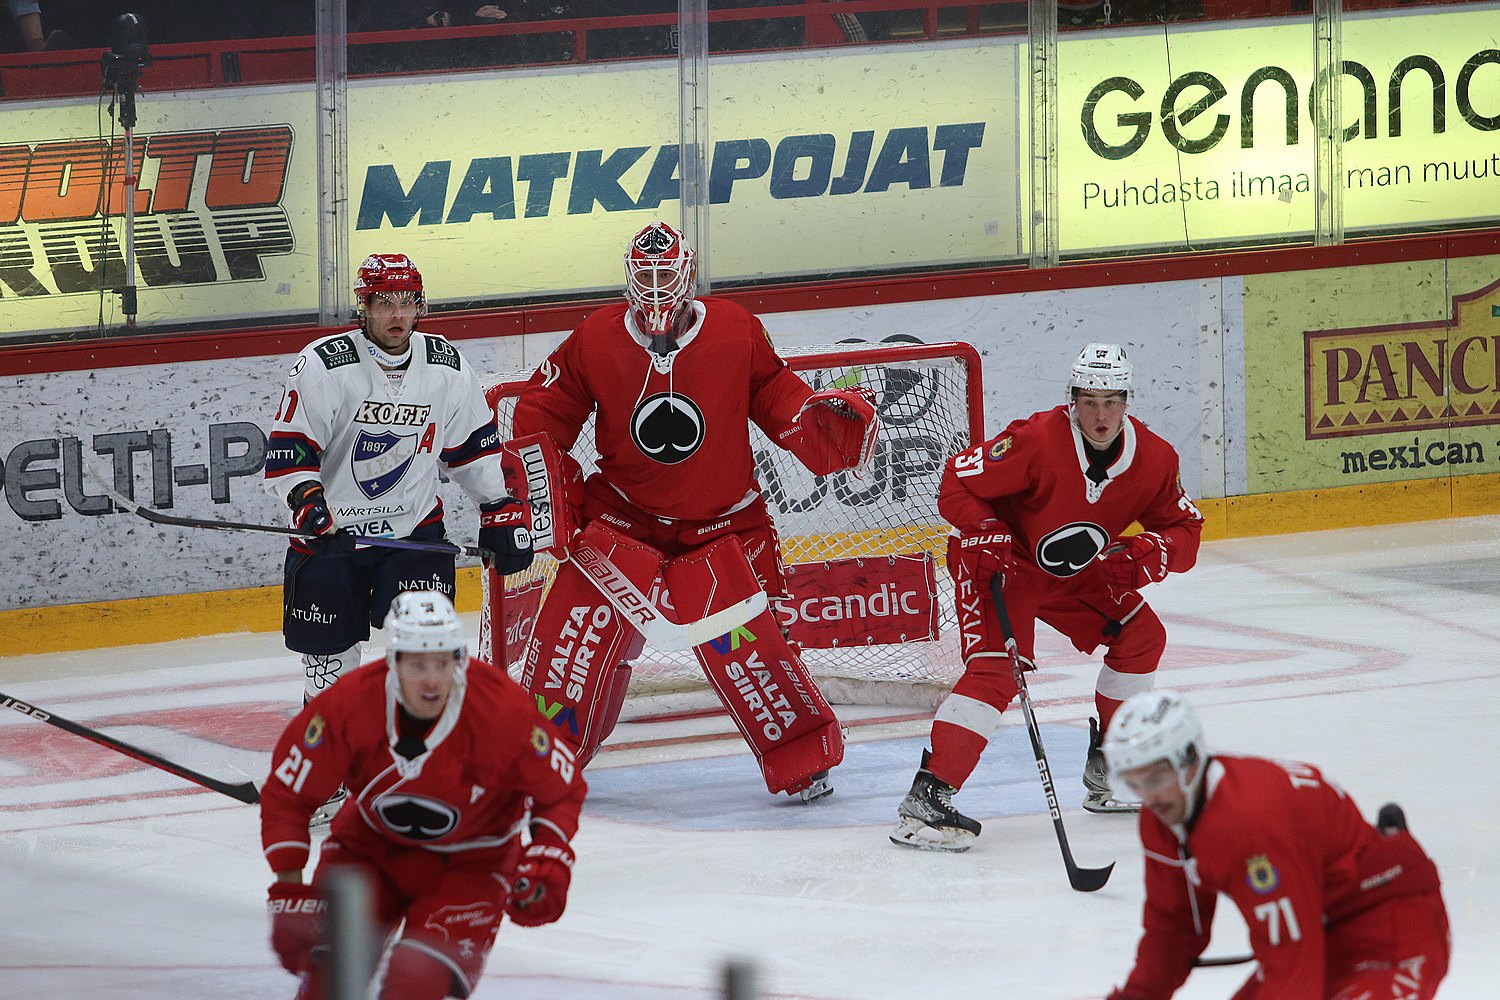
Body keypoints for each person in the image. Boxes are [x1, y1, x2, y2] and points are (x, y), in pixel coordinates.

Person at [505, 219, 879, 803]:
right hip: (627, 520)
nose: (656, 286)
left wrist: (819, 421)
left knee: (758, 650)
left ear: (689, 273)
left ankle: (802, 758)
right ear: (628, 279)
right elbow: (539, 418)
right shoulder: (595, 337)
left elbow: (778, 397)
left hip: (725, 523)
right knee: (571, 644)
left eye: (666, 272)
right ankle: (537, 765)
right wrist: (553, 493)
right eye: (644, 274)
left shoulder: (735, 329)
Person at [891, 342, 1203, 851]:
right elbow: (955, 482)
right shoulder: (1035, 439)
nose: (1100, 415)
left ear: (1127, 402)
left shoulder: (1155, 459)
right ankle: (928, 796)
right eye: (1088, 400)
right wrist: (984, 525)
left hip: (1074, 571)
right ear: (1071, 400)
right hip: (1002, 561)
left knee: (1142, 636)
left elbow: (1185, 531)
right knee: (997, 671)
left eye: (1111, 401)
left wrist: (1153, 551)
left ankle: (1109, 768)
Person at [261, 590, 587, 1000]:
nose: (432, 680)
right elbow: (289, 794)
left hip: (472, 862)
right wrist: (288, 886)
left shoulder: (501, 711)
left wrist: (549, 852)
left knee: (418, 985)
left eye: (443, 662)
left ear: (459, 660)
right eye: (418, 665)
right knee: (329, 983)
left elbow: (561, 789)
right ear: (393, 664)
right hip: (369, 851)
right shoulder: (349, 705)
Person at [264, 252, 533, 711]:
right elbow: (291, 446)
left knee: (430, 657)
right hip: (333, 538)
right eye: (384, 301)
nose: (396, 314)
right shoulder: (325, 364)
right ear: (363, 306)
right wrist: (306, 499)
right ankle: (335, 766)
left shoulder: (445, 365)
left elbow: (473, 446)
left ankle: (426, 760)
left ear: (419, 305)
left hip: (413, 535)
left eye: (406, 301)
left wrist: (497, 506)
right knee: (329, 673)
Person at [1101, 689, 1450, 1000]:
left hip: (1391, 930)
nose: (1148, 797)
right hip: (1321, 930)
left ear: (1190, 759)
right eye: (1134, 784)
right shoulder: (1163, 819)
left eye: (1155, 778)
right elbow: (1174, 932)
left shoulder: (1249, 822)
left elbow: (1293, 965)